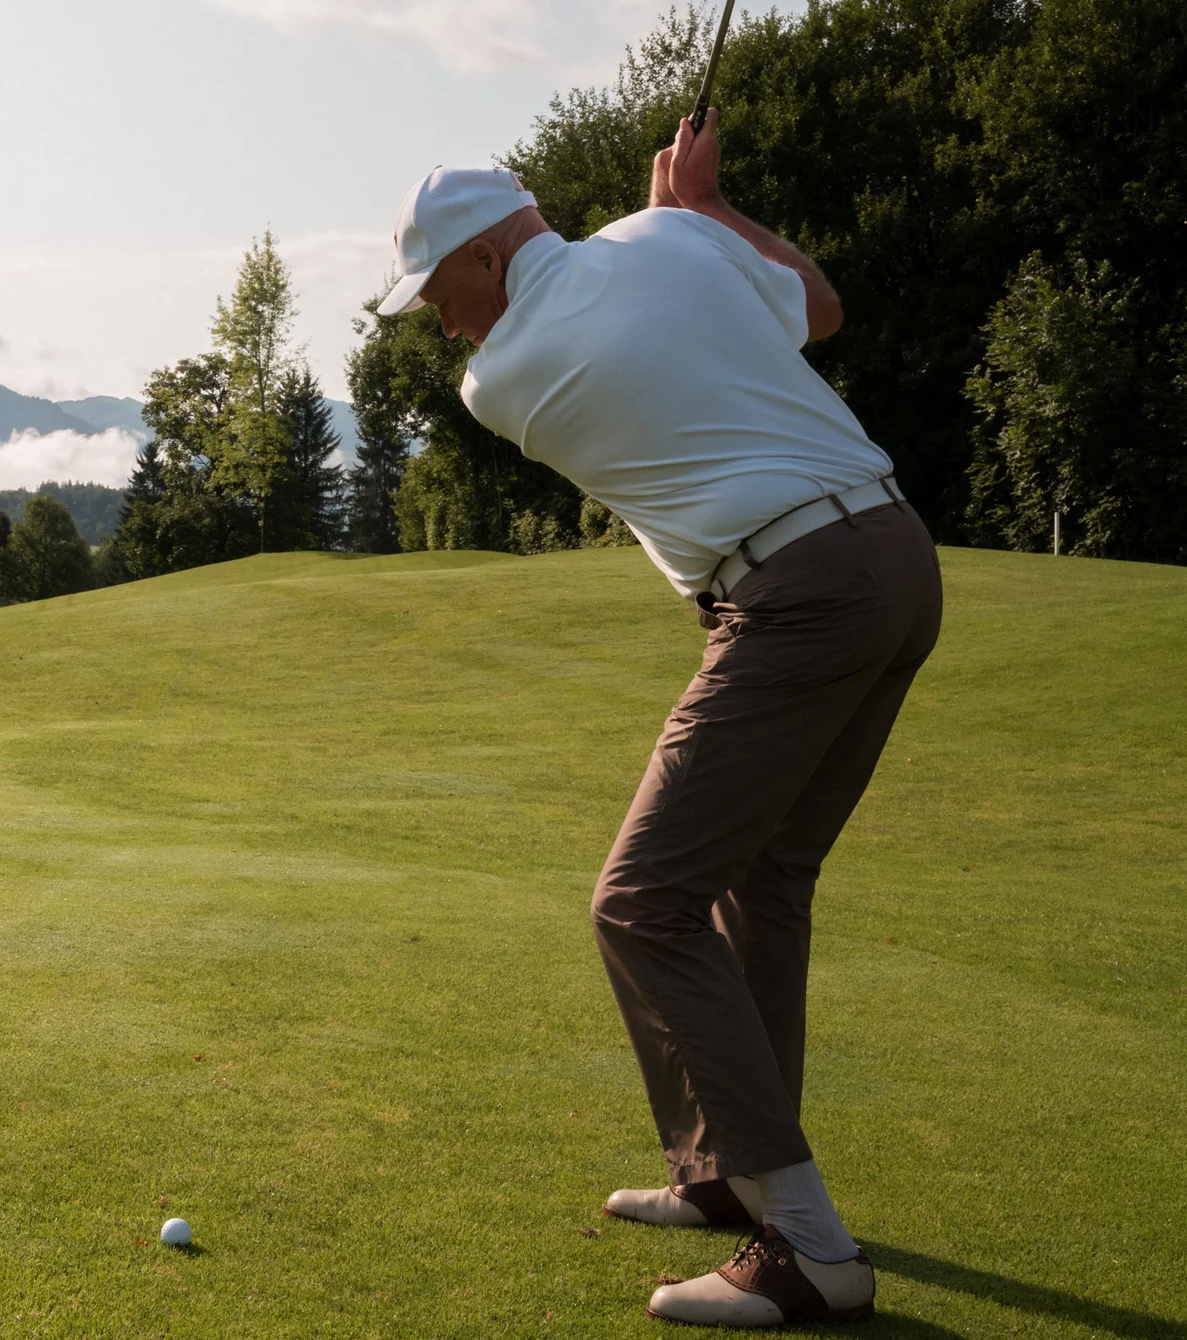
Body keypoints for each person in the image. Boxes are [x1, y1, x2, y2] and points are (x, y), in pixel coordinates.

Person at [376, 110, 941, 1327]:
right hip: (897, 562)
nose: (439, 320)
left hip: (796, 594)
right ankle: (726, 1176)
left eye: (435, 291)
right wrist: (706, 210)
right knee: (765, 879)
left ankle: (809, 1246)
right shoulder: (670, 238)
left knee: (640, 902)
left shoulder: (500, 380)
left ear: (486, 256)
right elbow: (822, 311)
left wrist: (683, 218)